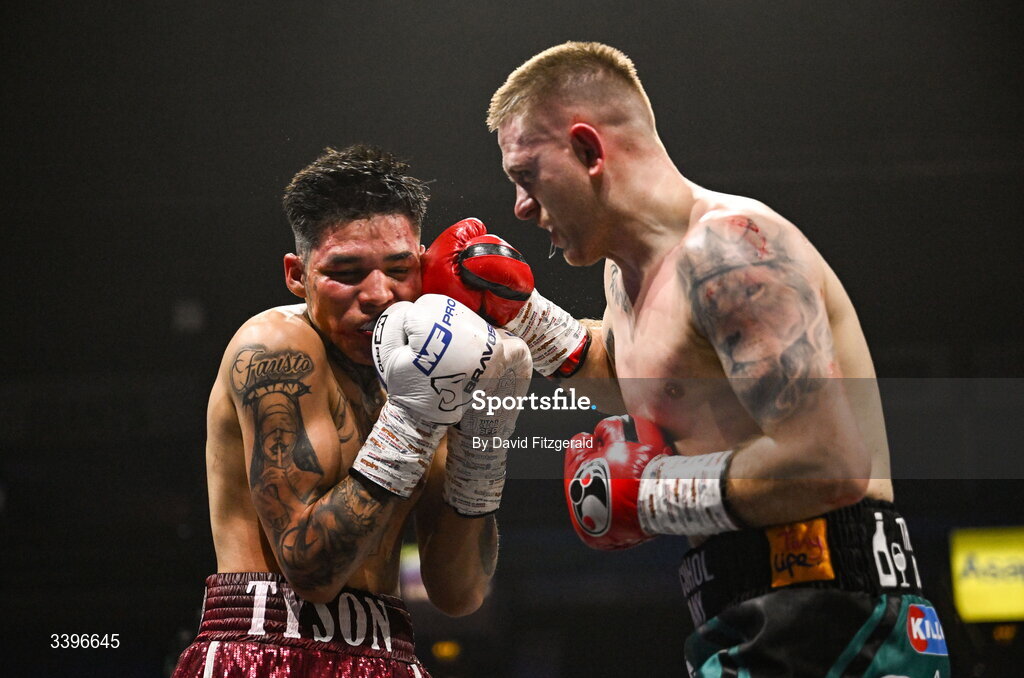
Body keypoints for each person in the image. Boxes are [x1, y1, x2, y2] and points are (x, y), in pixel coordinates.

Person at [421, 43, 950, 676]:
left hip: (837, 616)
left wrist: (650, 497)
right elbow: (650, 382)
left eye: (527, 174)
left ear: (589, 151)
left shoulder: (731, 252)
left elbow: (830, 465)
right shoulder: (628, 277)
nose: (521, 207)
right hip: (743, 610)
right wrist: (521, 311)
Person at [171, 145, 531, 678]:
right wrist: (412, 417)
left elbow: (459, 593)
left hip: (390, 652)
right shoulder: (273, 347)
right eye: (347, 271)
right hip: (268, 648)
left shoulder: (430, 369)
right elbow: (311, 570)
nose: (379, 294)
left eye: (399, 268)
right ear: (297, 274)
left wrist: (484, 433)